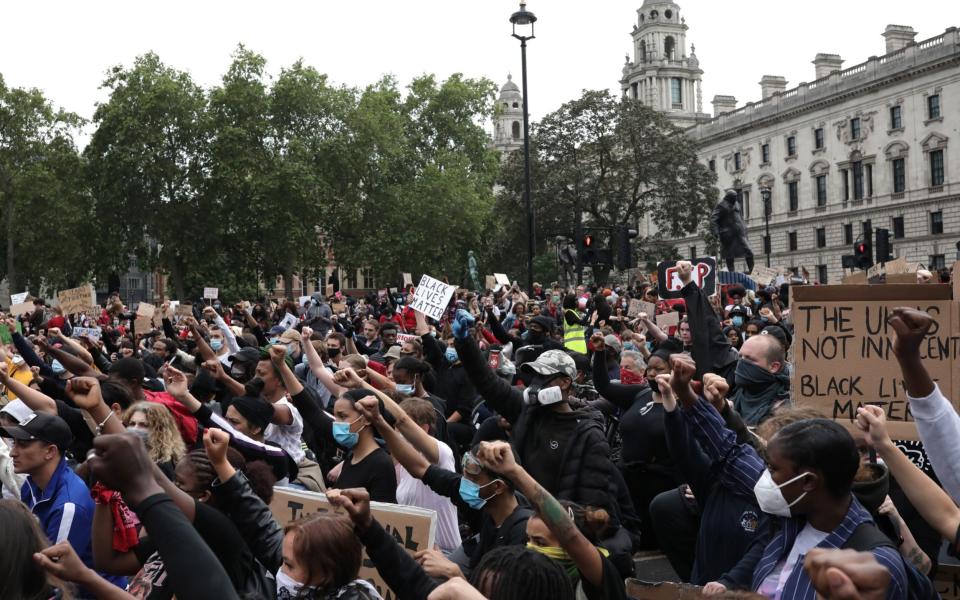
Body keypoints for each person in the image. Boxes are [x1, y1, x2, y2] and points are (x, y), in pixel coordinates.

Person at [666, 354, 919, 600]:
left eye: (773, 469)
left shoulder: (873, 566)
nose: (764, 477)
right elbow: (729, 451)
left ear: (808, 481)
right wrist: (686, 393)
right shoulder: (793, 513)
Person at [476, 440, 627, 600]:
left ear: (571, 551)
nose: (530, 548)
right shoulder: (532, 583)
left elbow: (570, 536)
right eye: (529, 540)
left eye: (540, 543)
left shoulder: (596, 583)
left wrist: (514, 471)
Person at [0, 410, 126, 595]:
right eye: (14, 443)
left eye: (23, 444)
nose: (12, 453)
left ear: (50, 451)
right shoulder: (33, 482)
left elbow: (52, 574)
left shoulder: (68, 506)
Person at [122, 401, 187, 480]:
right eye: (132, 424)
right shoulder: (132, 453)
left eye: (143, 425)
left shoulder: (163, 464)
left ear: (159, 430)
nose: (135, 429)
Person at [712, 189, 755, 273]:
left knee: (749, 252)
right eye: (734, 197)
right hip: (728, 235)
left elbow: (739, 217)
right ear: (728, 197)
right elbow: (714, 219)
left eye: (736, 196)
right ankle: (732, 274)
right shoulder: (721, 205)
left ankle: (752, 272)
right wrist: (715, 232)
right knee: (729, 255)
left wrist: (744, 228)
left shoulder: (736, 203)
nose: (736, 198)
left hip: (740, 233)